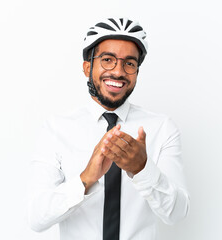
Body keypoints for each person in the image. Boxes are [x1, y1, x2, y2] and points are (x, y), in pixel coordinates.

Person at [28, 17, 190, 240]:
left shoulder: (162, 128)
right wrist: (85, 179)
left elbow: (177, 214)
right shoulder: (56, 130)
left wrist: (143, 169)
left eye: (130, 63)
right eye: (107, 59)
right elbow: (36, 218)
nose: (118, 72)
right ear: (87, 67)